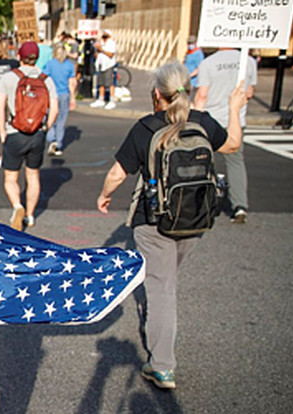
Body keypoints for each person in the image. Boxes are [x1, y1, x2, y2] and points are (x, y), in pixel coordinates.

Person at [97, 61, 247, 390]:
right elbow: (233, 144)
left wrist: (104, 196)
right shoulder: (204, 123)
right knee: (167, 280)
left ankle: (162, 365)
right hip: (195, 218)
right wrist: (235, 108)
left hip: (155, 221)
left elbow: (117, 174)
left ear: (157, 94)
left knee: (162, 290)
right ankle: (161, 348)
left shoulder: (147, 127)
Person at [0, 41, 58, 230]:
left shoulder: (9, 78)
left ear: (20, 56)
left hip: (15, 131)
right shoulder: (46, 80)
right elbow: (54, 109)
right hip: (37, 134)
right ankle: (30, 215)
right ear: (37, 57)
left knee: (11, 178)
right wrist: (46, 127)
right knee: (33, 176)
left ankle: (17, 205)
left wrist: (2, 132)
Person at [194, 48, 256, 224]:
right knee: (235, 161)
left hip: (210, 120)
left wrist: (194, 120)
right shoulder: (249, 62)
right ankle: (239, 206)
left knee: (202, 161)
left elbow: (202, 95)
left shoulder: (208, 63)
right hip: (234, 119)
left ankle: (200, 204)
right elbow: (249, 93)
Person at [42, 42, 77, 157]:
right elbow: (72, 83)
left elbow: (43, 77)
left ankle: (51, 138)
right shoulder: (69, 65)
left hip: (51, 94)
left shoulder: (50, 64)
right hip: (64, 94)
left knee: (50, 118)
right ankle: (58, 144)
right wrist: (73, 98)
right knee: (61, 120)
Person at [90, 29, 118, 110]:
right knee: (101, 83)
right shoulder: (101, 43)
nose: (103, 34)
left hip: (109, 65)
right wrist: (97, 49)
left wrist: (101, 49)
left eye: (105, 33)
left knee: (109, 83)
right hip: (100, 65)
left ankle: (111, 100)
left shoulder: (111, 43)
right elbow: (96, 55)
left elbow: (111, 54)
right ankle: (100, 99)